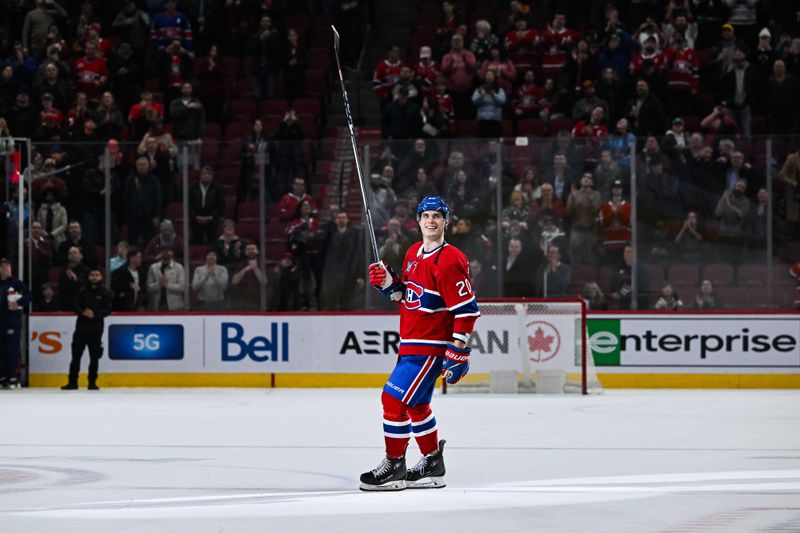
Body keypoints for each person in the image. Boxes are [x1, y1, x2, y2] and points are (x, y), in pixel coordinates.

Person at [361, 196, 480, 491]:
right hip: (410, 344)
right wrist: (389, 283)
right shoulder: (414, 252)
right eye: (426, 215)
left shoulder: (451, 259)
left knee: (392, 400)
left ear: (446, 221)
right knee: (416, 405)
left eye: (437, 215)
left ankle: (394, 465)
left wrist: (459, 350)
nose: (431, 220)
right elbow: (408, 297)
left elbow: (466, 310)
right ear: (418, 220)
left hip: (430, 347)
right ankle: (432, 463)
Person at [60, 267, 112, 391]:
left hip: (96, 329)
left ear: (101, 277)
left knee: (94, 358)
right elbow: (75, 304)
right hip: (81, 329)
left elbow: (108, 309)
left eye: (97, 274)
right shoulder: (82, 291)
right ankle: (72, 382)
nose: (94, 277)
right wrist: (83, 312)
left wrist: (95, 313)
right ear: (89, 277)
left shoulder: (106, 292)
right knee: (76, 357)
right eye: (92, 274)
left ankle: (92, 383)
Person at [0, 259, 31, 389]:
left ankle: (14, 374)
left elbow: (28, 295)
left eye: (8, 266)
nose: (6, 268)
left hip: (12, 322)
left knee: (12, 349)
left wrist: (18, 303)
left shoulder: (15, 283)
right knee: (1, 349)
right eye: (3, 266)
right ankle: (3, 375)